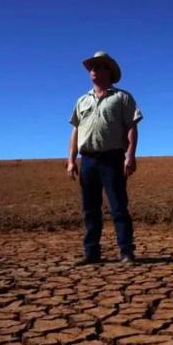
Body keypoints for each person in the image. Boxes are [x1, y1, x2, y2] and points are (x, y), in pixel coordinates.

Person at [67, 51, 143, 264]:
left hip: (112, 159)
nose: (93, 70)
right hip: (88, 160)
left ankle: (126, 251)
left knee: (118, 206)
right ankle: (91, 252)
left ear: (108, 71)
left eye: (98, 66)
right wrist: (71, 160)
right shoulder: (82, 100)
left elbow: (131, 127)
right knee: (90, 208)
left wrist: (130, 155)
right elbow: (75, 131)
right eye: (91, 67)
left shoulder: (122, 97)